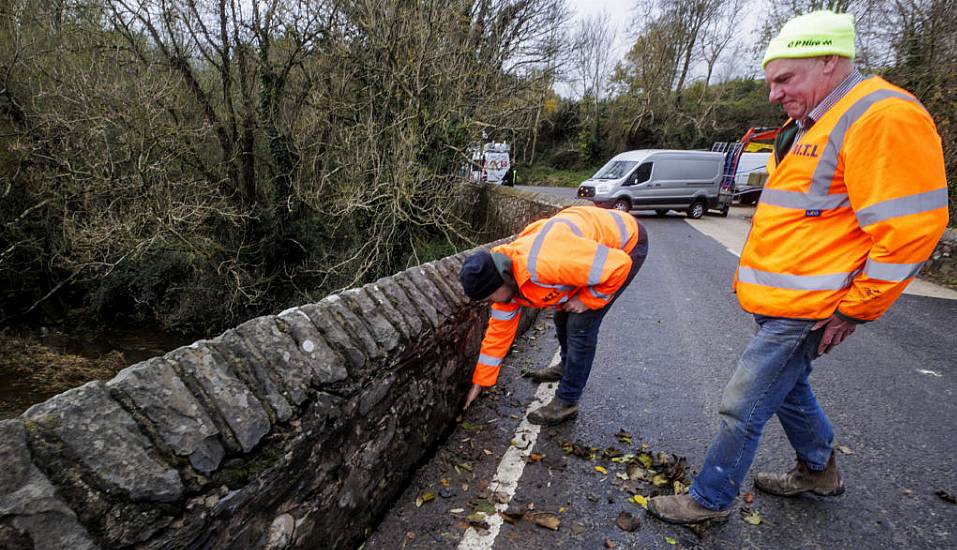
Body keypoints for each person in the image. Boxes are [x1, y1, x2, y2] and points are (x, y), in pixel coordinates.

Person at [648, 10, 949, 524]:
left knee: (742, 403)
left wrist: (856, 309)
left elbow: (910, 230)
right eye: (772, 82)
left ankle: (709, 499)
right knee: (786, 387)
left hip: (809, 308)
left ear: (829, 61)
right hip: (785, 303)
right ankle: (818, 470)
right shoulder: (814, 121)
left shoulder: (882, 116)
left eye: (784, 79)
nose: (773, 94)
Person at [458, 205, 649, 425]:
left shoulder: (544, 264)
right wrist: (480, 381)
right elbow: (498, 335)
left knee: (580, 324)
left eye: (491, 296)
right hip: (588, 254)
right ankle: (566, 366)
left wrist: (587, 300)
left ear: (502, 279)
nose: (491, 302)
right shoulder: (506, 282)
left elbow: (618, 266)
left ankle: (567, 401)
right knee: (561, 315)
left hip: (627, 244)